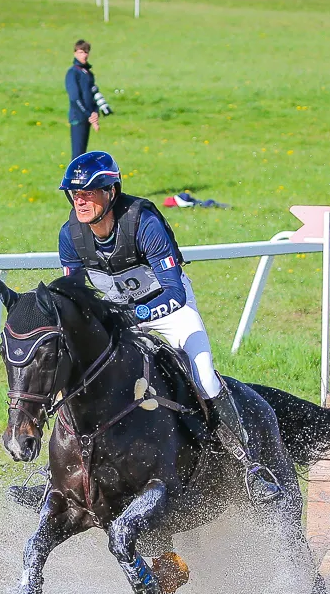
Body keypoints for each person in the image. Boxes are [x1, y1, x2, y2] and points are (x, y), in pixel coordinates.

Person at [52, 151, 283, 503]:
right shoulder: (71, 235)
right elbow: (76, 296)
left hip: (167, 308)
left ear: (111, 192)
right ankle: (56, 474)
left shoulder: (143, 222)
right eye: (74, 194)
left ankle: (249, 466)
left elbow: (173, 290)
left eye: (89, 192)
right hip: (118, 320)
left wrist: (136, 316)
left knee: (204, 374)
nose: (80, 201)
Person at [66, 41, 101, 159]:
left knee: (83, 153)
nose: (84, 55)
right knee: (77, 155)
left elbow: (94, 94)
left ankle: (82, 177)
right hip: (78, 117)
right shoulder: (72, 73)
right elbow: (74, 98)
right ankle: (73, 177)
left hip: (88, 117)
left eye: (86, 52)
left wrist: (95, 111)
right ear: (75, 53)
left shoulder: (88, 73)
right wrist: (88, 115)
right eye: (81, 52)